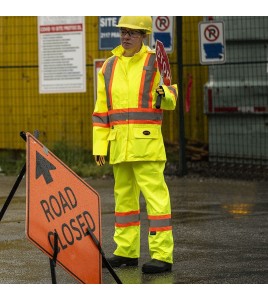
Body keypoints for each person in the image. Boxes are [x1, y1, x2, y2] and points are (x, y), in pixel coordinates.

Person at [92, 16, 178, 274]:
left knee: (156, 201)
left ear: (144, 36)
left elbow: (171, 95)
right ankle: (126, 252)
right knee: (124, 201)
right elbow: (101, 111)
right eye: (123, 32)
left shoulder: (154, 61)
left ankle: (162, 255)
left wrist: (165, 95)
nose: (125, 37)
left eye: (132, 32)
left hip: (147, 145)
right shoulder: (107, 67)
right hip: (119, 145)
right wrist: (99, 145)